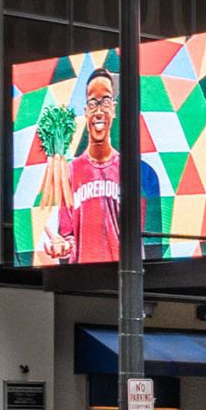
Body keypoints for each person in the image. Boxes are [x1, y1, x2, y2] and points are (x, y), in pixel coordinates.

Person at [53, 68, 125, 265]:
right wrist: (62, 246)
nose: (99, 110)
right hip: (84, 278)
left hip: (121, 276)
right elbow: (67, 234)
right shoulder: (71, 171)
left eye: (106, 102)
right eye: (93, 103)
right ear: (86, 111)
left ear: (114, 109)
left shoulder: (127, 169)